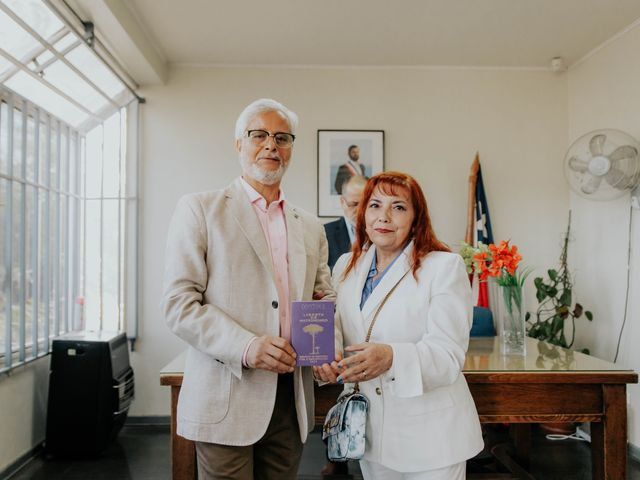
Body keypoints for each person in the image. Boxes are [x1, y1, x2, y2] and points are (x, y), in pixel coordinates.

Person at [162, 98, 334, 480]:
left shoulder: (310, 226)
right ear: (239, 144)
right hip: (227, 395)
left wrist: (325, 345)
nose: (271, 144)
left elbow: (324, 296)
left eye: (283, 137)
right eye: (259, 135)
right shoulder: (199, 209)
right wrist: (247, 346)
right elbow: (179, 304)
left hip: (292, 398)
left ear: (291, 148)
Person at [314, 172, 484, 480]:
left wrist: (392, 356)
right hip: (371, 437)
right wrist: (326, 359)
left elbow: (448, 356)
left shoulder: (443, 267)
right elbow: (339, 331)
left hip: (432, 440)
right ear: (362, 213)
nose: (384, 217)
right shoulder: (346, 267)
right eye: (375, 205)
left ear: (417, 217)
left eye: (399, 207)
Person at [324, 175, 367, 270]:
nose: (360, 210)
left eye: (365, 204)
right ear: (342, 202)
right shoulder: (324, 233)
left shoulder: (382, 232)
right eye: (353, 204)